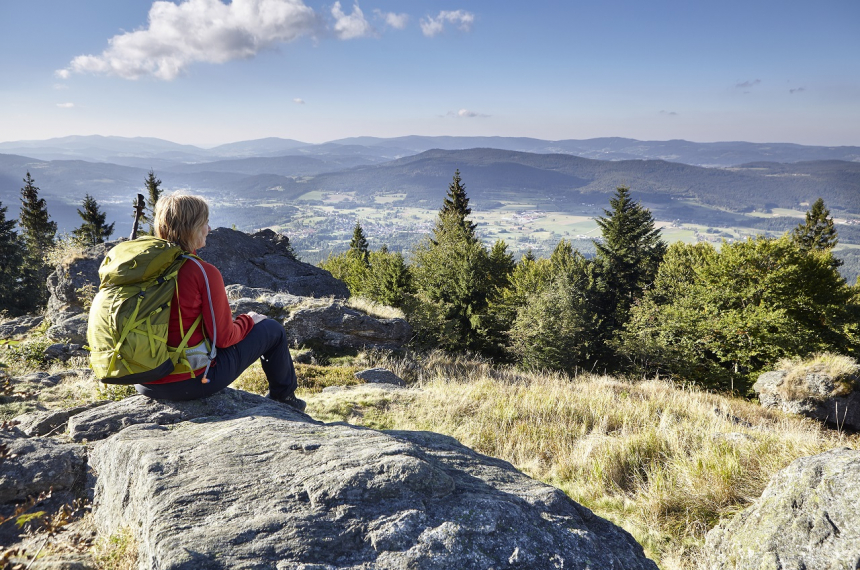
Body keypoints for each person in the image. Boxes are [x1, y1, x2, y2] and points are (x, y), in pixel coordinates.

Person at [134, 194, 305, 411]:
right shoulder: (202, 272)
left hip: (144, 380)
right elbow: (224, 339)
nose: (209, 227)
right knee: (272, 330)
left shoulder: (143, 267)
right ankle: (285, 400)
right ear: (193, 228)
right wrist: (248, 320)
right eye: (205, 222)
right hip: (190, 382)